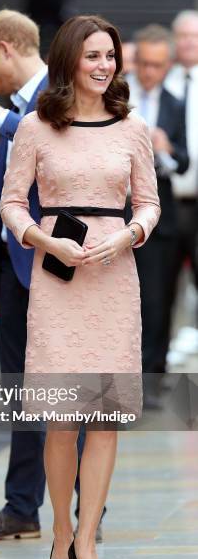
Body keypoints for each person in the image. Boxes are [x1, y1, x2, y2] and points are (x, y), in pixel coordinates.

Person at [0, 15, 160, 559]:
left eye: (110, 56)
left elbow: (149, 205)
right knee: (63, 420)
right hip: (57, 278)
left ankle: (89, 543)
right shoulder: (35, 129)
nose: (104, 66)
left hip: (115, 277)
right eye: (93, 56)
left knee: (106, 417)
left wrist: (126, 235)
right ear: (70, 60)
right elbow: (12, 204)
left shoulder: (132, 127)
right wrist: (45, 241)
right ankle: (61, 537)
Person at [0, 8, 100, 547]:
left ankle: (88, 507)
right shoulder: (17, 106)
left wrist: (2, 121)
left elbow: (67, 149)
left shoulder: (62, 95)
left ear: (7, 48)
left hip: (58, 268)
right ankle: (22, 507)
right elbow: (5, 198)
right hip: (19, 273)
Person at [127, 25, 188, 400]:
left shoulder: (174, 104)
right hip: (115, 211)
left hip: (159, 216)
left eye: (158, 65)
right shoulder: (116, 98)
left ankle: (149, 380)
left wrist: (164, 147)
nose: (150, 72)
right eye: (144, 64)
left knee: (155, 300)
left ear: (168, 66)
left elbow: (183, 161)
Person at [164, 10, 198, 354]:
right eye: (184, 35)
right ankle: (159, 365)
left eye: (195, 36)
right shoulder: (163, 83)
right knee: (163, 287)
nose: (189, 42)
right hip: (169, 201)